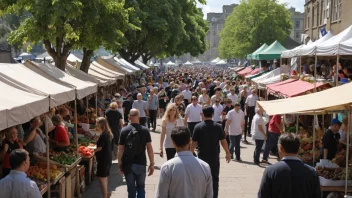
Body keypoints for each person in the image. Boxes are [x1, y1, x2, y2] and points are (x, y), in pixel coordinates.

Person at [258, 133, 321, 198]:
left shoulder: (270, 171)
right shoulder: (312, 172)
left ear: (280, 148)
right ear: (298, 149)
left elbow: (262, 195)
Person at [156, 127, 213, 198]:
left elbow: (161, 195)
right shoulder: (205, 166)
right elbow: (209, 195)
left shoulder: (167, 167)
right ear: (190, 141)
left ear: (173, 143)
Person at [191, 105, 231, 198]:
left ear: (203, 114)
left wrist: (191, 153)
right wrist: (227, 153)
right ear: (213, 115)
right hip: (214, 156)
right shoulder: (218, 126)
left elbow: (194, 143)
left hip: (202, 157)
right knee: (214, 178)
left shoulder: (198, 127)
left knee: (201, 178)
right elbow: (223, 141)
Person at [118, 109, 155, 198]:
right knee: (141, 187)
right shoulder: (145, 130)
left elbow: (120, 150)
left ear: (129, 117)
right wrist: (152, 164)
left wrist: (119, 163)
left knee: (131, 189)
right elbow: (150, 149)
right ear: (139, 117)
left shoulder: (124, 130)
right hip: (141, 163)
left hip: (128, 164)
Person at [95, 117, 113, 198]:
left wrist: (93, 150)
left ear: (100, 124)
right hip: (107, 158)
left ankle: (105, 196)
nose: (96, 125)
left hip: (103, 159)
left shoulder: (103, 135)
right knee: (105, 177)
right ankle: (107, 193)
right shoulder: (107, 133)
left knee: (101, 178)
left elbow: (100, 147)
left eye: (97, 123)